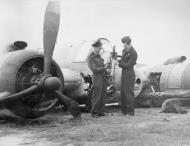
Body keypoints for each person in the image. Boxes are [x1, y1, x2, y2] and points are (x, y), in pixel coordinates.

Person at [87, 39, 108, 118]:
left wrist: (105, 67)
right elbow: (94, 69)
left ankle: (101, 112)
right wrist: (104, 68)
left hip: (103, 77)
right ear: (95, 48)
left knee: (103, 95)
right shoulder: (90, 57)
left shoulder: (99, 57)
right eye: (99, 48)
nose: (100, 49)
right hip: (97, 77)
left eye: (100, 48)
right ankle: (95, 112)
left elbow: (101, 67)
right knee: (97, 95)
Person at [118, 36, 138, 116]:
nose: (124, 47)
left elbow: (128, 65)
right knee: (123, 93)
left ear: (129, 44)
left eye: (125, 45)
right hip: (124, 74)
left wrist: (119, 63)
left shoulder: (134, 53)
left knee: (129, 94)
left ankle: (130, 112)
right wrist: (118, 61)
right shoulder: (124, 51)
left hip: (129, 75)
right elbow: (123, 62)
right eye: (123, 45)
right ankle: (124, 111)